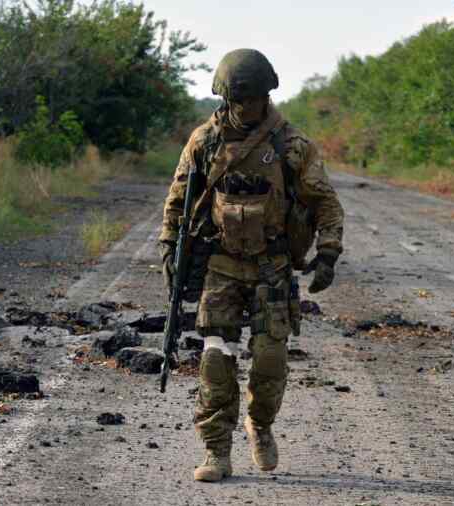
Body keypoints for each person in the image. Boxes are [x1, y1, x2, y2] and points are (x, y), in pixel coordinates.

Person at [159, 48, 345, 482]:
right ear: (224, 97)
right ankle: (216, 451)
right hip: (220, 265)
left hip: (272, 265)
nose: (243, 108)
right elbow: (177, 199)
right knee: (215, 358)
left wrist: (329, 253)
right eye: (236, 100)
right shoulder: (204, 141)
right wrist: (169, 247)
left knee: (269, 361)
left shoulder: (291, 145)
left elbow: (326, 203)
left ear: (266, 95)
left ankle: (260, 424)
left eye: (251, 99)